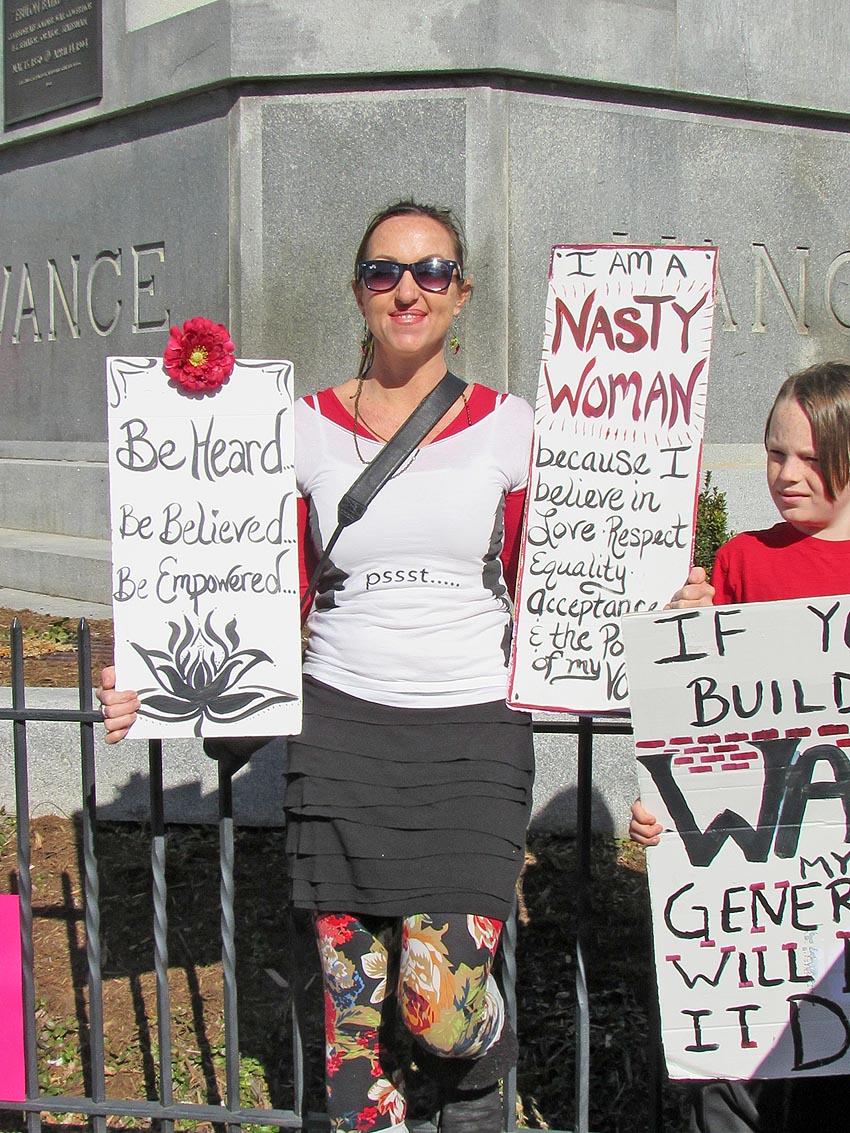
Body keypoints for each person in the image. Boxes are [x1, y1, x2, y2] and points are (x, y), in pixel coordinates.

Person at [100, 200, 535, 1133]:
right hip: (341, 736)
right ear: (358, 289)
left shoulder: (512, 427)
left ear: (462, 292)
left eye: (430, 270)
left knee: (442, 1009)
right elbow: (233, 577)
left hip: (472, 740)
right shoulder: (295, 428)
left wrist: (664, 597)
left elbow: (558, 581)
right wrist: (154, 674)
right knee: (352, 1040)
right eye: (384, 271)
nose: (407, 290)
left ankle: (479, 1068)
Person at [629, 360, 850, 1133]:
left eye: (810, 457)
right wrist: (667, 807)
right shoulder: (742, 560)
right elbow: (703, 728)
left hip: (834, 881)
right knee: (728, 1082)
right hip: (751, 896)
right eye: (774, 452)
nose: (786, 473)